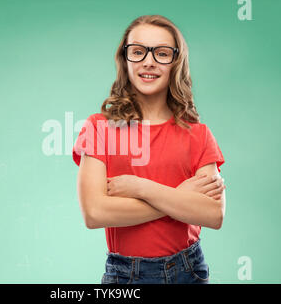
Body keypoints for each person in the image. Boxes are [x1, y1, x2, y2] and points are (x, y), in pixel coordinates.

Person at [72, 15, 226, 284]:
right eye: (138, 51)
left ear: (176, 63)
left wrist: (142, 188)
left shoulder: (198, 135)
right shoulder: (99, 128)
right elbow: (95, 213)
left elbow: (213, 214)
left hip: (188, 270)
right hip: (125, 275)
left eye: (162, 53)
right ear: (125, 59)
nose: (149, 61)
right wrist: (179, 198)